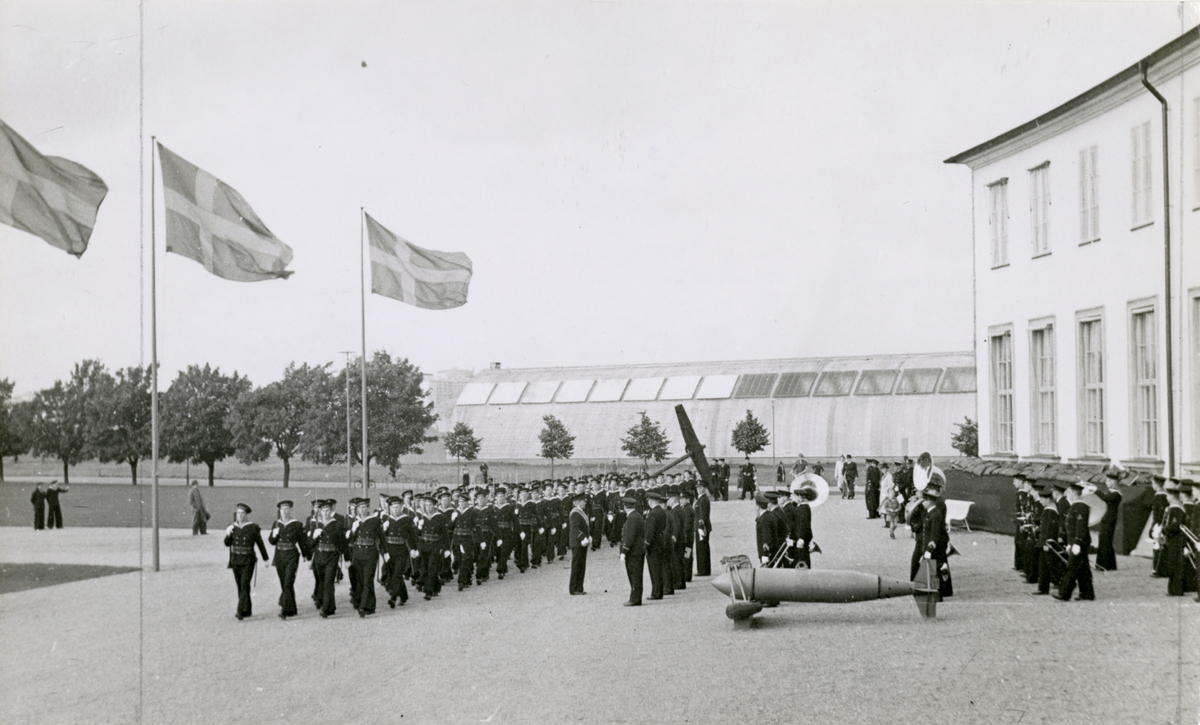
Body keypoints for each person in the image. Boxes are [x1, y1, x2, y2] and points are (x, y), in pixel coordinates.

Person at [224, 503, 269, 620]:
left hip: (248, 560)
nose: (240, 515)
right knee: (241, 586)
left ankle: (240, 611)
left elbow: (260, 544)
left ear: (247, 515)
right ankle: (246, 610)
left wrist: (266, 559)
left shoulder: (253, 527)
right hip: (235, 560)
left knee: (244, 584)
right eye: (238, 513)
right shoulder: (232, 527)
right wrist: (228, 534)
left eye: (242, 513)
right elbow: (227, 544)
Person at [268, 500, 309, 619]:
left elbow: (302, 541)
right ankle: (292, 608)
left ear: (290, 510)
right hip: (279, 556)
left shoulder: (296, 524)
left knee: (288, 582)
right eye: (282, 509)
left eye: (287, 509)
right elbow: (271, 542)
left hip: (292, 555)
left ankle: (285, 609)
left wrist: (306, 555)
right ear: (279, 511)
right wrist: (274, 535)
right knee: (284, 583)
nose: (284, 512)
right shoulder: (276, 524)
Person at [1055, 481, 1095, 602]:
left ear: (1074, 493)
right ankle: (1087, 593)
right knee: (1083, 568)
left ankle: (1064, 593)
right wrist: (1070, 543)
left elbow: (1080, 526)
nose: (1067, 495)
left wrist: (1076, 542)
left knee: (1071, 568)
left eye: (1069, 492)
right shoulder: (1075, 506)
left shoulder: (1081, 507)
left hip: (1080, 542)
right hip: (1076, 542)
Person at [309, 499, 348, 618]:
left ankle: (326, 609)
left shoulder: (337, 524)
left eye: (327, 511)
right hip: (319, 557)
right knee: (321, 582)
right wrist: (314, 536)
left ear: (331, 511)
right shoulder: (315, 524)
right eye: (323, 511)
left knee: (328, 582)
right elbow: (309, 544)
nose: (325, 513)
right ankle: (329, 605)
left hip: (332, 556)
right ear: (320, 511)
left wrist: (347, 558)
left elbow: (343, 544)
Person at [916, 476, 952, 599]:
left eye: (924, 501)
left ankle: (937, 595)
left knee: (935, 572)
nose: (923, 503)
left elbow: (934, 535)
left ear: (929, 501)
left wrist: (929, 551)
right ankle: (935, 594)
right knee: (933, 572)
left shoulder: (935, 514)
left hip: (934, 549)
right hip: (930, 547)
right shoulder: (931, 513)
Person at [348, 498, 384, 617]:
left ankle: (363, 607)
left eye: (364, 507)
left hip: (370, 554)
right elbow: (349, 541)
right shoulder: (354, 521)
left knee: (368, 579)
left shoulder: (375, 520)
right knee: (362, 581)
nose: (362, 510)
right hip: (358, 554)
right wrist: (353, 530)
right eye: (359, 508)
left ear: (368, 508)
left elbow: (381, 537)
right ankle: (370, 605)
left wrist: (385, 552)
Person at [382, 496, 415, 605]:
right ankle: (404, 596)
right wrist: (384, 529)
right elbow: (381, 537)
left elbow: (412, 536)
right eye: (393, 508)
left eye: (397, 507)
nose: (395, 510)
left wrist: (414, 549)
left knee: (397, 574)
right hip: (390, 550)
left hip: (402, 550)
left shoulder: (407, 519)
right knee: (394, 575)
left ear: (401, 507)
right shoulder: (386, 519)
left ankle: (394, 597)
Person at [1093, 470, 1123, 572]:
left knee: (1105, 541)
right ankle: (1109, 564)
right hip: (1108, 518)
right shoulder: (1113, 493)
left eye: (1109, 480)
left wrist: (1095, 490)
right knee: (1106, 541)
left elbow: (1105, 498)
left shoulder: (1116, 494)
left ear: (1114, 482)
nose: (1107, 482)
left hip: (1109, 518)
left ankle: (1103, 565)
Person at [619, 496, 646, 605]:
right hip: (638, 551)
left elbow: (629, 537)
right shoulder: (636, 516)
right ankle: (635, 597)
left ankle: (635, 598)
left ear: (625, 507)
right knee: (636, 575)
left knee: (634, 575)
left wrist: (624, 551)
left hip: (634, 552)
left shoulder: (632, 518)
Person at [644, 490, 668, 600]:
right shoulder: (661, 511)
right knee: (658, 568)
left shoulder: (653, 513)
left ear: (652, 501)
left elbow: (650, 531)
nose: (648, 502)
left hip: (654, 544)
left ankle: (656, 592)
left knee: (654, 569)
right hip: (660, 541)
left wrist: (646, 544)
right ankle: (658, 591)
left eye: (649, 500)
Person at [568, 491, 591, 595]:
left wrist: (588, 536)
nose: (585, 502)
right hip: (578, 542)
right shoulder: (575, 513)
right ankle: (574, 588)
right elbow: (575, 528)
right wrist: (582, 537)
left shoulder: (580, 512)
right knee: (577, 565)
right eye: (583, 501)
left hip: (581, 542)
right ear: (577, 502)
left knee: (581, 565)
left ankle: (579, 587)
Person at [694, 480, 712, 576]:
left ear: (704, 488)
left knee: (702, 549)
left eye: (700, 487)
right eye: (697, 488)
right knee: (703, 548)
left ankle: (703, 570)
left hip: (702, 527)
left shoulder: (703, 499)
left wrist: (700, 526)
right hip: (701, 526)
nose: (698, 489)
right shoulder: (701, 499)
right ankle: (705, 569)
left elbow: (702, 514)